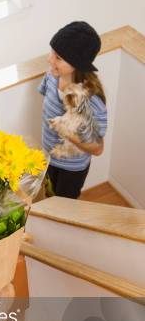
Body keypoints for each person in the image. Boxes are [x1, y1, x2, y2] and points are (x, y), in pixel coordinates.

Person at [39, 21, 108, 199]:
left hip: (72, 169)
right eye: (52, 52)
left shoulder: (92, 100)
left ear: (76, 64)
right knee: (49, 198)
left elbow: (98, 148)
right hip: (48, 158)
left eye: (58, 58)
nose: (50, 60)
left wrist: (68, 132)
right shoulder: (52, 77)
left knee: (64, 208)